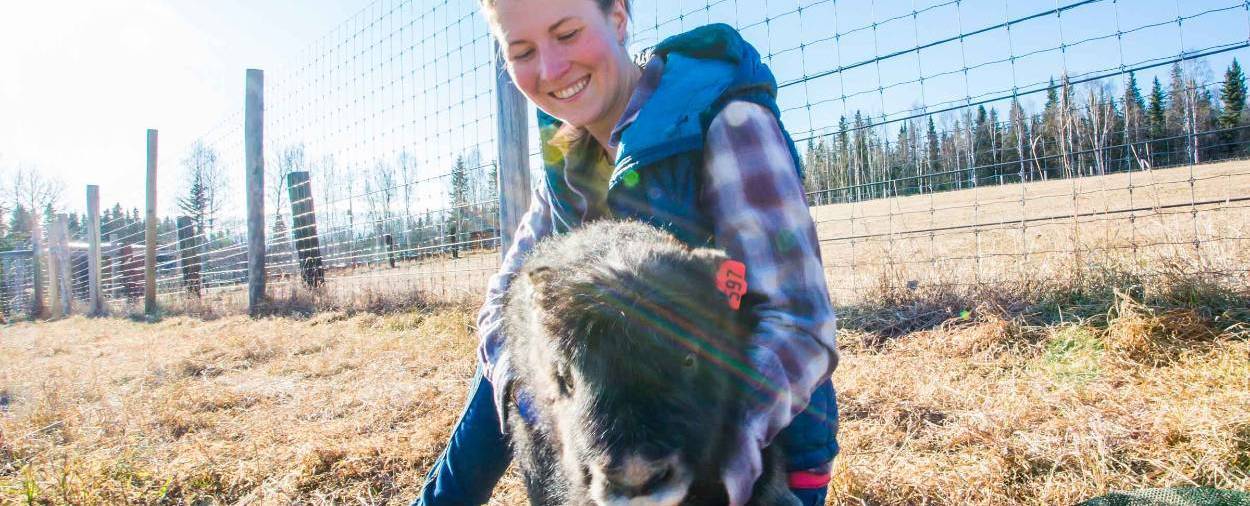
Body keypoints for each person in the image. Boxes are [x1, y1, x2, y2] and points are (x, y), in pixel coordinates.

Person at [414, 0, 839, 504]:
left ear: (617, 18)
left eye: (568, 33)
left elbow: (798, 319)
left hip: (754, 439)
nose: (551, 69)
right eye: (523, 50)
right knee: (527, 335)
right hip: (607, 433)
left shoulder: (727, 122)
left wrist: (724, 462)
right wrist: (531, 399)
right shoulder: (565, 163)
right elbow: (503, 303)